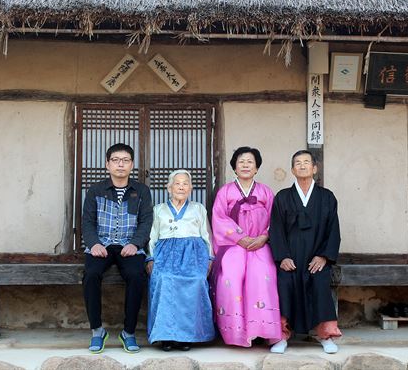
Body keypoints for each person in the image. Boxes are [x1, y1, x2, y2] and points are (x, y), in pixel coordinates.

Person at [211, 146, 286, 351]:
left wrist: (264, 237)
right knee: (231, 277)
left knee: (263, 276)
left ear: (256, 168)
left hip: (259, 244)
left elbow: (275, 219)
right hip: (234, 245)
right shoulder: (225, 192)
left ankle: (263, 331)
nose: (245, 165)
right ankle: (235, 331)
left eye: (250, 162)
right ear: (234, 167)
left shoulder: (265, 192)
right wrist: (239, 237)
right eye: (241, 161)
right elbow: (219, 218)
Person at [81, 143, 153, 354]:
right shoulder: (95, 190)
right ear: (107, 164)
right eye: (115, 160)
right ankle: (97, 330)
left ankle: (128, 332)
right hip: (101, 245)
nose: (120, 164)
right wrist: (94, 244)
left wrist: (135, 243)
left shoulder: (141, 191)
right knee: (91, 274)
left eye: (125, 160)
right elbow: (87, 221)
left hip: (128, 246)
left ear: (132, 165)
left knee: (136, 275)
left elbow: (146, 221)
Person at [269, 150, 342, 354]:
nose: (302, 166)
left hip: (315, 259)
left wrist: (324, 257)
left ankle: (325, 335)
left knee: (319, 284)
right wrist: (282, 257)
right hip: (290, 259)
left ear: (314, 168)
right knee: (284, 284)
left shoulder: (327, 197)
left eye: (306, 162)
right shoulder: (283, 197)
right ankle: (281, 336)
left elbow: (333, 229)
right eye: (297, 163)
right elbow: (275, 229)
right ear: (292, 170)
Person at [145, 169, 215, 351]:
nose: (181, 187)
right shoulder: (158, 209)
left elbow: (206, 236)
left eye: (185, 183)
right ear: (169, 188)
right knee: (164, 281)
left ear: (191, 188)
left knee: (196, 282)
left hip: (193, 256)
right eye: (177, 183)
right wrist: (150, 258)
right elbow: (153, 238)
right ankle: (166, 336)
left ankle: (187, 336)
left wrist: (209, 258)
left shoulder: (199, 208)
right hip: (165, 256)